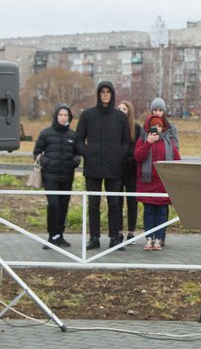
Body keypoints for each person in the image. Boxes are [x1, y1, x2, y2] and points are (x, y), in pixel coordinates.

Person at [75, 81, 131, 250]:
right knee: (93, 203)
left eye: (108, 92)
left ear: (112, 94)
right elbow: (78, 139)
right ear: (98, 94)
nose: (105, 94)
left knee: (114, 203)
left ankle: (114, 237)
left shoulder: (120, 117)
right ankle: (94, 237)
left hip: (114, 167)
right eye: (102, 92)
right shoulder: (88, 115)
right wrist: (88, 153)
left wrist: (118, 155)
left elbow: (126, 141)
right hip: (93, 166)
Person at [33, 103, 81, 247]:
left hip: (67, 176)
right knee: (53, 204)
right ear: (56, 116)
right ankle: (51, 235)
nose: (63, 117)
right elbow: (36, 152)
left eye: (66, 115)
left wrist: (75, 161)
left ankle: (59, 234)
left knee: (63, 206)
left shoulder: (73, 135)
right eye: (60, 114)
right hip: (50, 176)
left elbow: (78, 153)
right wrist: (46, 161)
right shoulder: (46, 133)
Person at [134, 113, 180, 250]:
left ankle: (159, 238)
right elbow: (138, 157)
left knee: (161, 212)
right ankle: (149, 238)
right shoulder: (143, 140)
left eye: (159, 126)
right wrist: (148, 143)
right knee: (148, 212)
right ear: (148, 127)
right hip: (147, 184)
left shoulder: (168, 142)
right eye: (154, 125)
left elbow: (177, 160)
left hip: (163, 185)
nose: (157, 128)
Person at [117, 99, 142, 242]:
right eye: (119, 108)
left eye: (124, 109)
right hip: (117, 170)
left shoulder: (136, 128)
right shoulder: (114, 127)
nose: (121, 111)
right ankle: (118, 230)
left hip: (132, 170)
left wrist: (131, 159)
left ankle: (131, 231)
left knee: (132, 202)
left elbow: (137, 147)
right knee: (117, 202)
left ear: (129, 111)